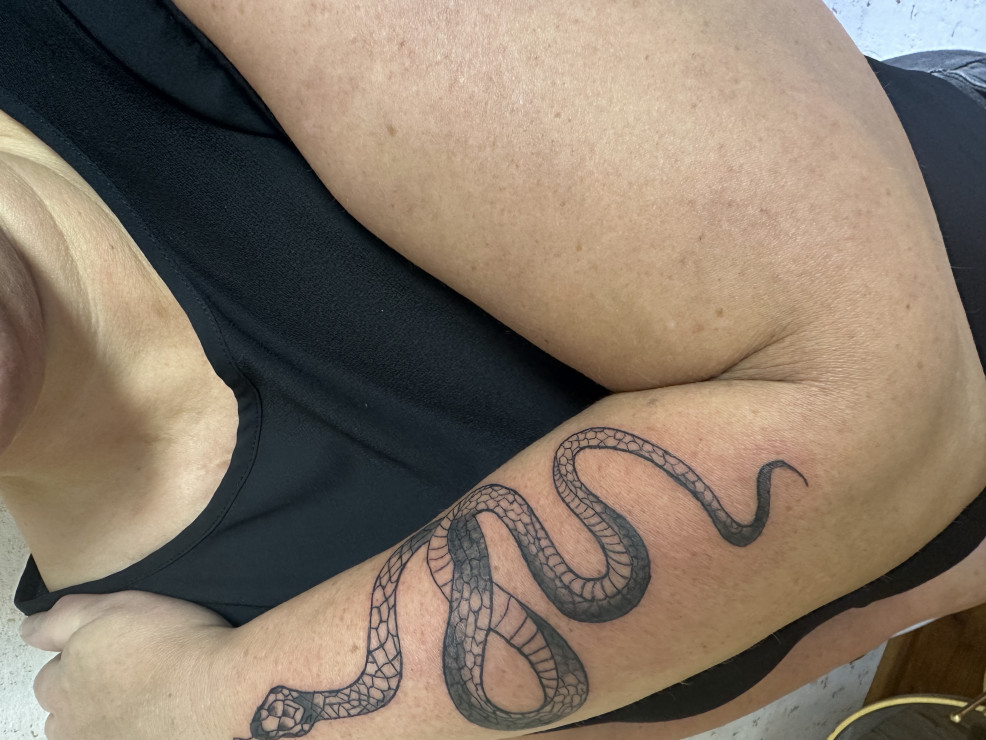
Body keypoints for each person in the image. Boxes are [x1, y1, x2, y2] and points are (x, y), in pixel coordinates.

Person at [0, 1, 984, 738]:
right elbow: (656, 678)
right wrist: (916, 591)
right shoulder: (116, 645)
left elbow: (889, 415)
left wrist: (223, 709)